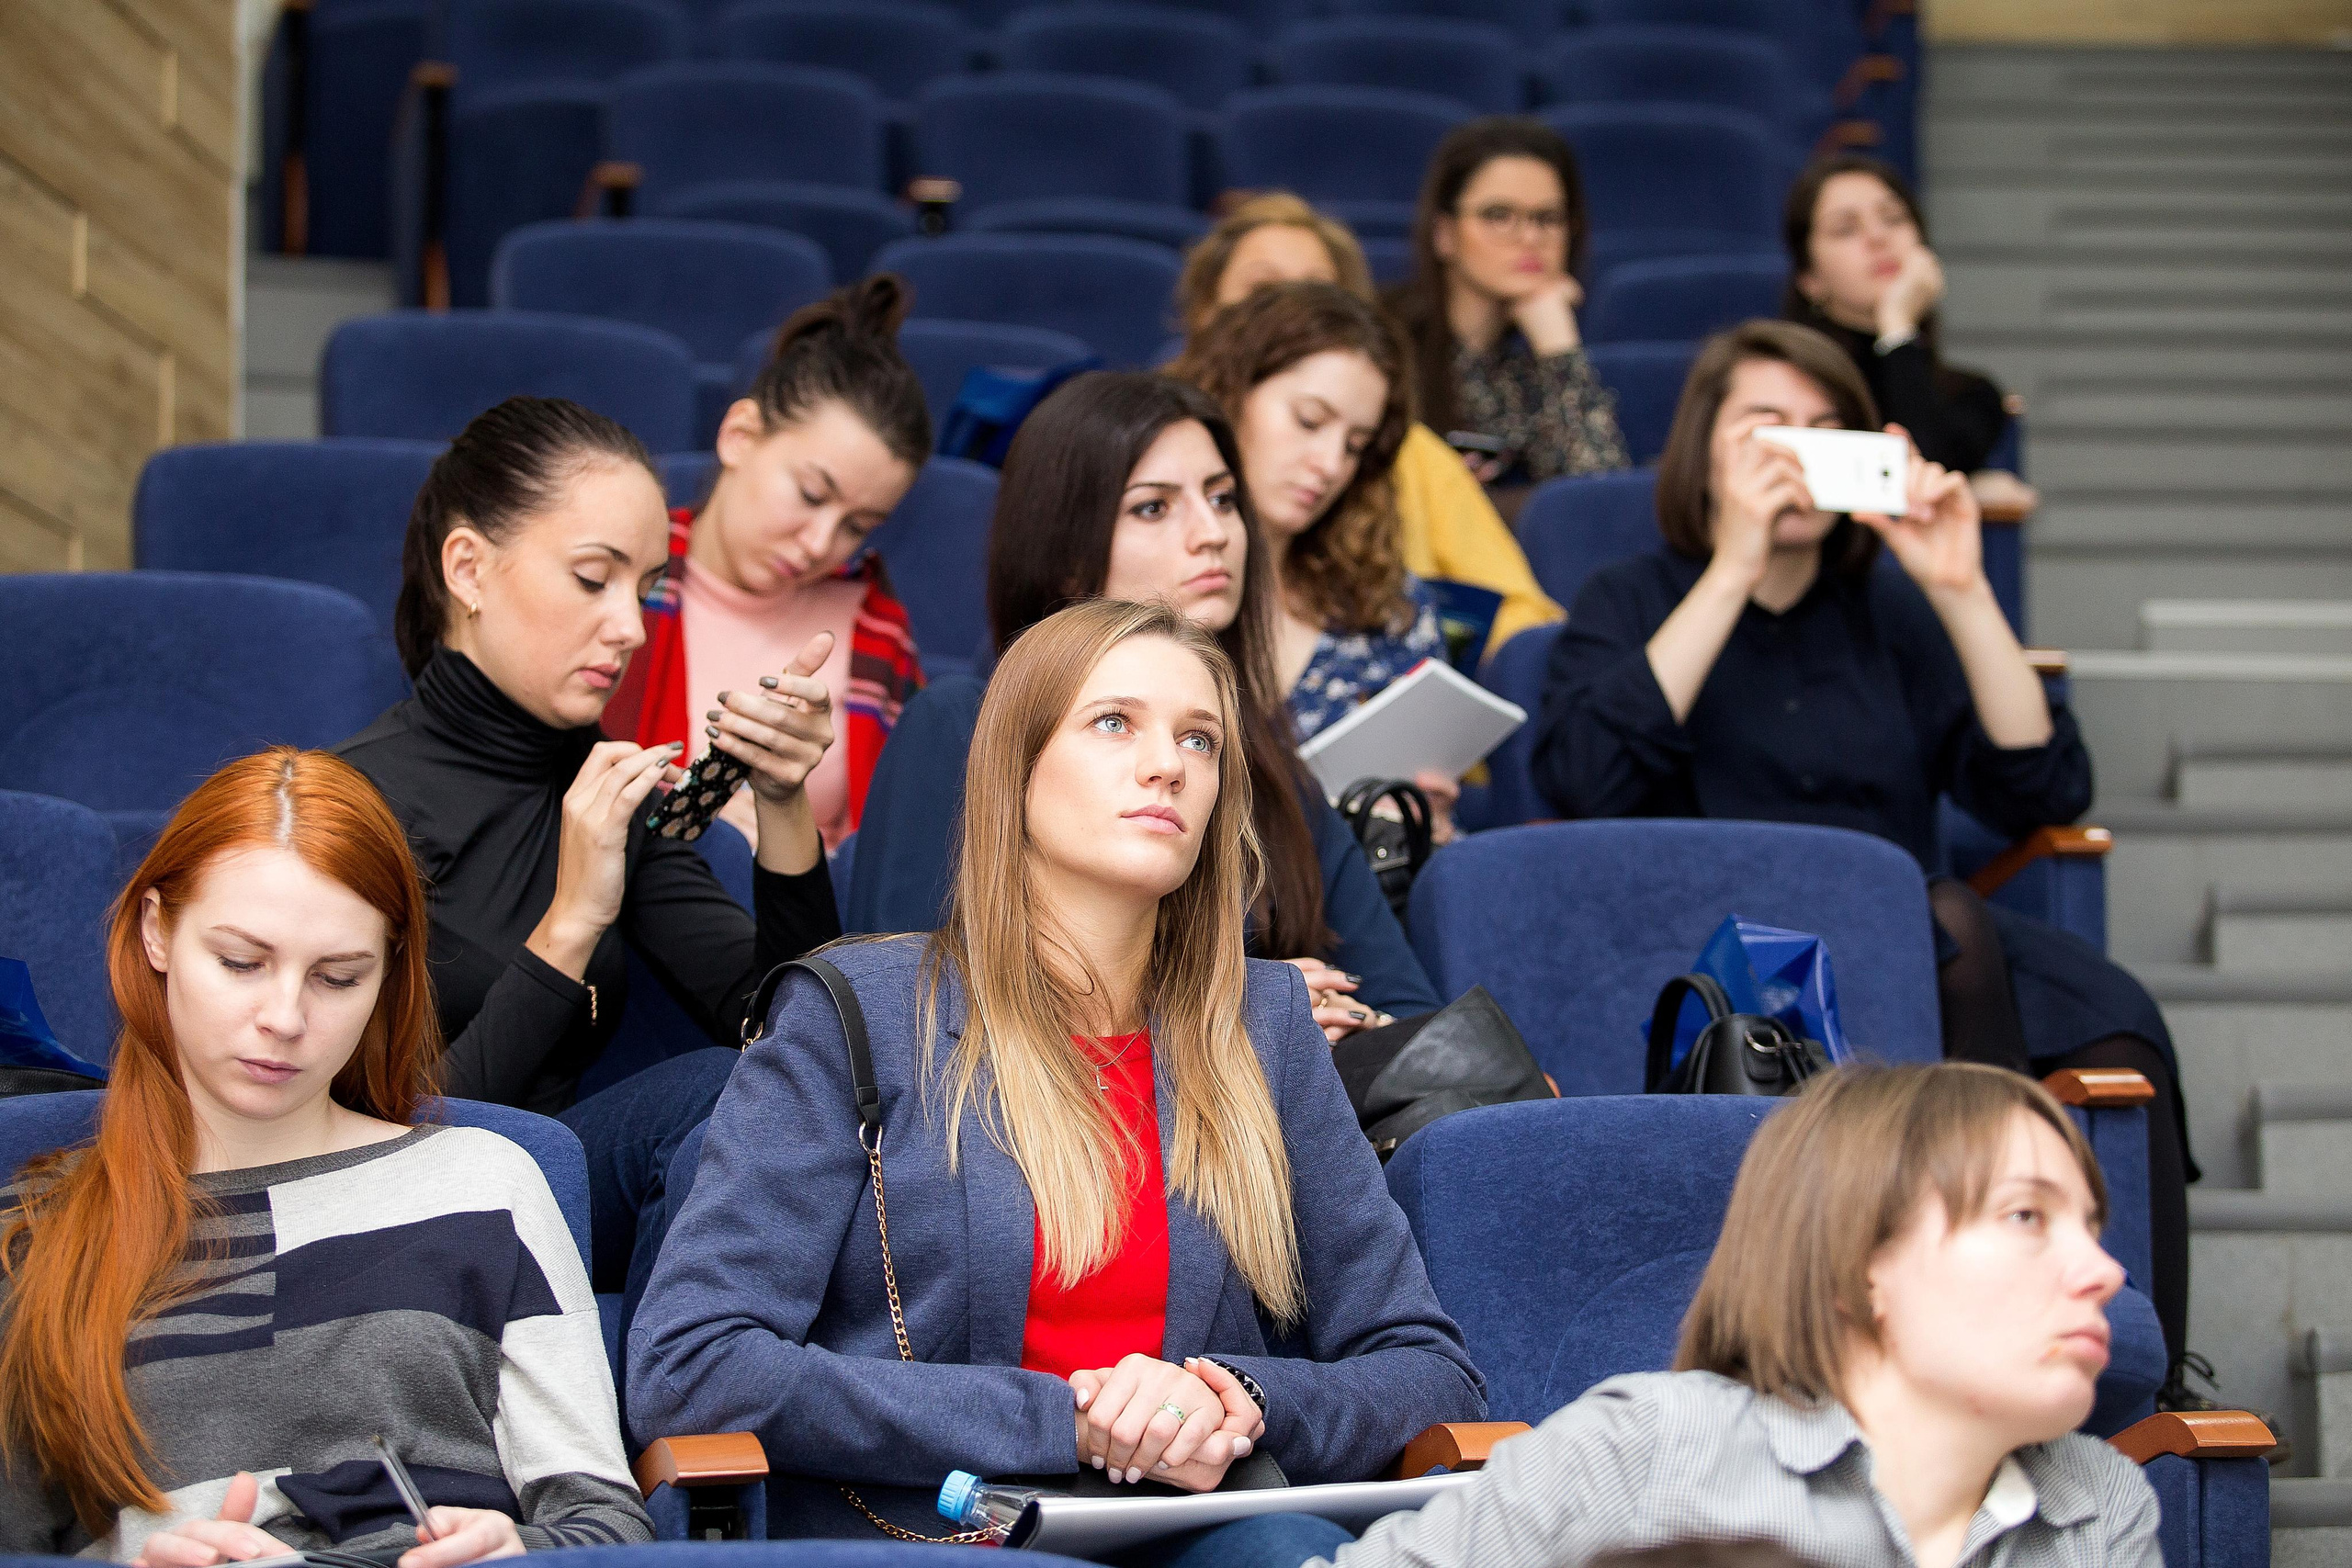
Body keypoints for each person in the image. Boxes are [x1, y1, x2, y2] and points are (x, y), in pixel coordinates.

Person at [628, 600, 1484, 1542]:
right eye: (1113, 722)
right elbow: (693, 1363)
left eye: (1198, 741)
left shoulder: (1263, 1021)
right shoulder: (852, 1011)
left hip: (1188, 1528)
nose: (1167, 764)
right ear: (1016, 768)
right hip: (938, 1529)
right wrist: (1059, 1421)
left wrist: (1237, 1398)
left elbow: (1424, 1368)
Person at [1527, 320, 2195, 1374]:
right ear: (1706, 450)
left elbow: (2038, 788)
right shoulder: (1635, 598)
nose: (1794, 449)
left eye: (1820, 427)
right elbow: (1581, 777)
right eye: (1765, 428)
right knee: (1953, 921)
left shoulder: (1886, 610)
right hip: (1724, 957)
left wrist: (1962, 586)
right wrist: (1734, 566)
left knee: (2118, 1031)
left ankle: (2139, 1360)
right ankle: (1983, 1262)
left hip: (1909, 931)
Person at [0, 749, 651, 1559]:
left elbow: (609, 1526)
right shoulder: (35, 1233)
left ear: (386, 978)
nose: (284, 1015)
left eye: (338, 977)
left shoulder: (488, 1182)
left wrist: (520, 1550)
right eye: (241, 962)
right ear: (156, 931)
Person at [336, 395, 842, 1342]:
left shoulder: (601, 785)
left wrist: (781, 799)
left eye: (644, 590)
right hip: (391, 1209)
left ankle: (689, 1425)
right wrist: (570, 923)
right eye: (592, 579)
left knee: (749, 1087)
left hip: (552, 1196)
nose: (632, 629)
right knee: (709, 1093)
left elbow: (786, 1028)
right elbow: (375, 1138)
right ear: (468, 569)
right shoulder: (347, 805)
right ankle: (687, 1415)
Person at [1295, 1064, 2162, 1568]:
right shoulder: (1648, 1451)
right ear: (1860, 1265)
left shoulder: (2099, 1500)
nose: (2103, 1271)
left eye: (2091, 1226)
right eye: (2025, 1217)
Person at [849, 372, 1443, 1041]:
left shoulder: (1266, 768)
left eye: (1222, 499)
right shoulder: (965, 724)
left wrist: (1336, 1026)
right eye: (1154, 508)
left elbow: (1415, 1019)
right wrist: (1251, 1014)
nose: (1212, 532)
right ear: (1069, 558)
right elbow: (903, 1019)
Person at [604, 276, 930, 852]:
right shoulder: (616, 576)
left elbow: (897, 862)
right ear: (739, 436)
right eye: (810, 494)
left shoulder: (877, 628)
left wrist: (792, 842)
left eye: (857, 527)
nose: (821, 544)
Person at [1175, 191, 1563, 658]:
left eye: (1356, 445)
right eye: (1266, 293)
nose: (1330, 464)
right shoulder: (1141, 442)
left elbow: (1523, 622)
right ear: (1204, 309)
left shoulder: (1407, 459)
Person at [1170, 282, 1462, 840]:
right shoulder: (1136, 570)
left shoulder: (1389, 606)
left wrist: (1427, 825)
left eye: (1355, 445)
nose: (1330, 464)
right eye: (1309, 420)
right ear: (1229, 395)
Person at [1386, 118, 1629, 492]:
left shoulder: (1536, 370)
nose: (1530, 237)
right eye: (1499, 215)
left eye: (1548, 219)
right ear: (1444, 234)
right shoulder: (1381, 342)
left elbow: (1598, 505)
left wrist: (1560, 350)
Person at [1782, 153, 2030, 508]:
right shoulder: (1790, 391)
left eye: (1894, 219)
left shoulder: (1972, 395)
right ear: (1810, 280)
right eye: (1845, 229)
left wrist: (1896, 327)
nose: (1877, 237)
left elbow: (1927, 462)